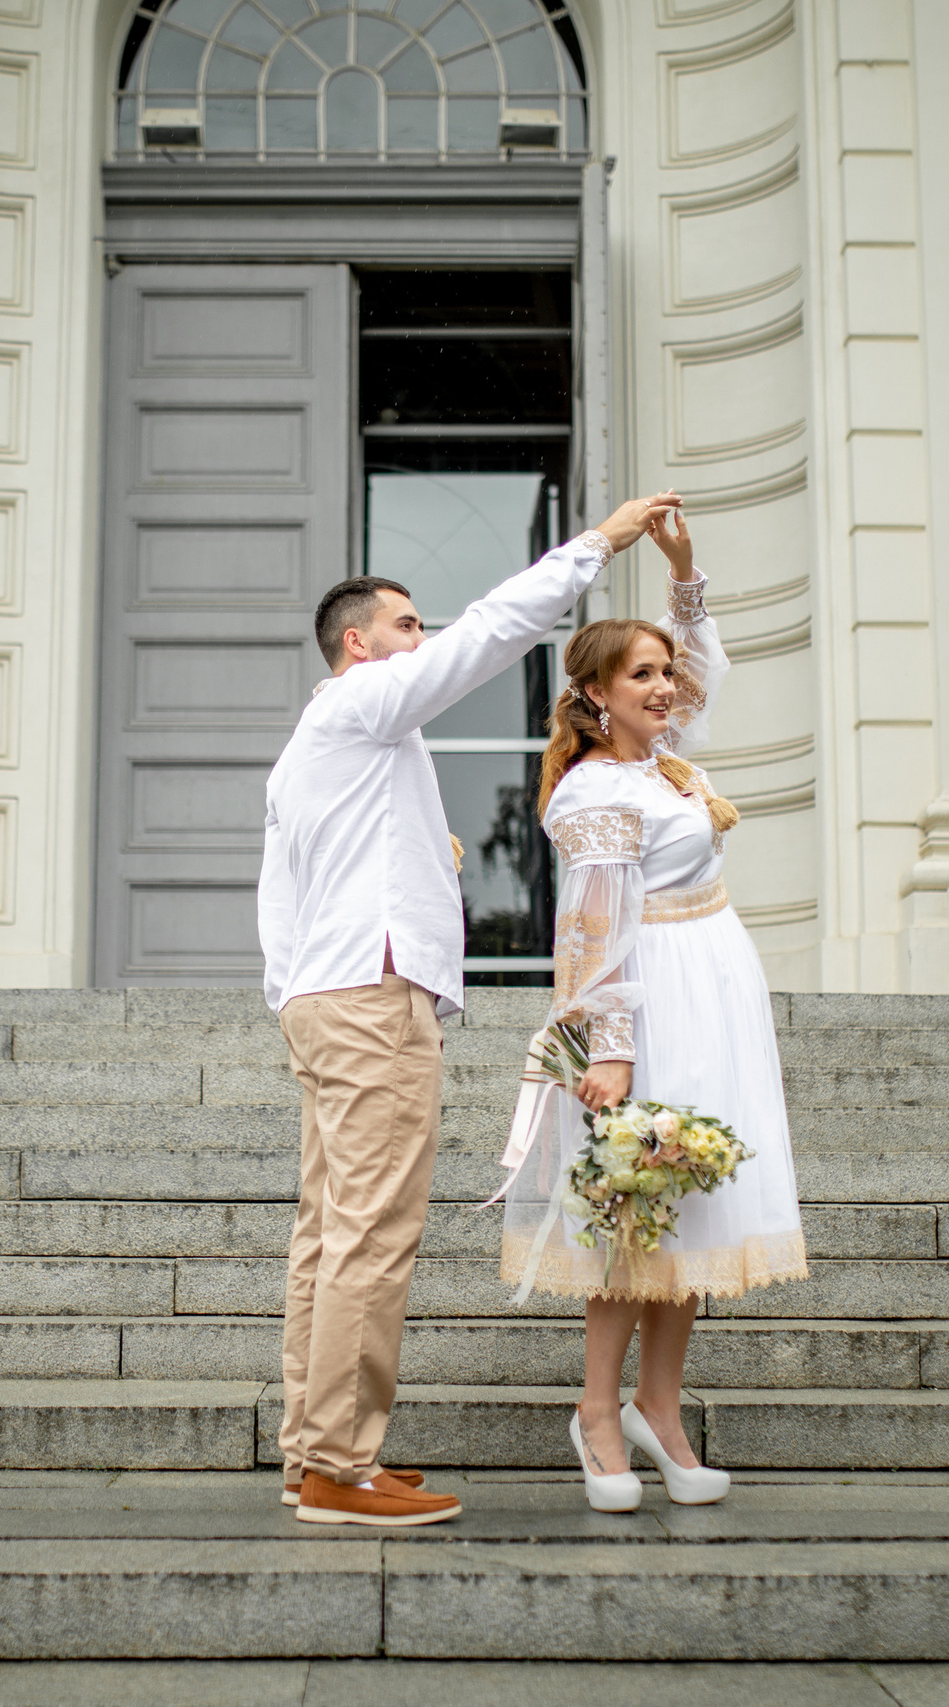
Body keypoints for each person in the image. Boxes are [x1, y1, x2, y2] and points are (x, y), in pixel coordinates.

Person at [260, 491, 683, 1528]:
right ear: (357, 645)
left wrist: (295, 992)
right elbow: (494, 631)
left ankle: (317, 1455)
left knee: (329, 1233)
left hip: (325, 991)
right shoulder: (365, 701)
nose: (424, 638)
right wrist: (600, 544)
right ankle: (338, 1467)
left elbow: (283, 892)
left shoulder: (325, 745)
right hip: (368, 998)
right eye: (407, 624)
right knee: (369, 1232)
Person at [496, 501, 809, 1513]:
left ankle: (659, 1408)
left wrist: (683, 572)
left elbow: (704, 675)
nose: (667, 687)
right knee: (635, 1205)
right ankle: (597, 1412)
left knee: (697, 1201)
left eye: (665, 671)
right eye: (642, 675)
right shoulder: (595, 794)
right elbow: (592, 936)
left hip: (717, 986)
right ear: (595, 695)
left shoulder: (666, 762)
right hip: (652, 995)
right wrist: (612, 1047)